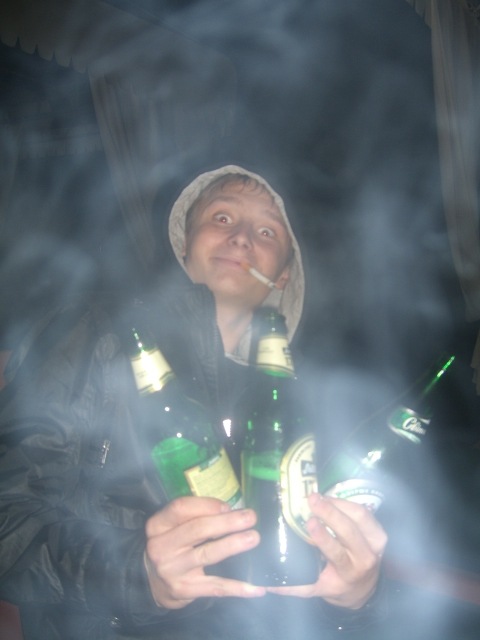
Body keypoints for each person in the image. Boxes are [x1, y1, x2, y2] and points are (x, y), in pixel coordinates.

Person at [0, 165, 387, 640]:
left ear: (283, 274)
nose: (241, 237)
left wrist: (356, 598)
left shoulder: (303, 400)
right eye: (222, 218)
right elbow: (8, 520)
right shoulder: (95, 333)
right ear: (185, 243)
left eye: (266, 231)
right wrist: (137, 573)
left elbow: (311, 583)